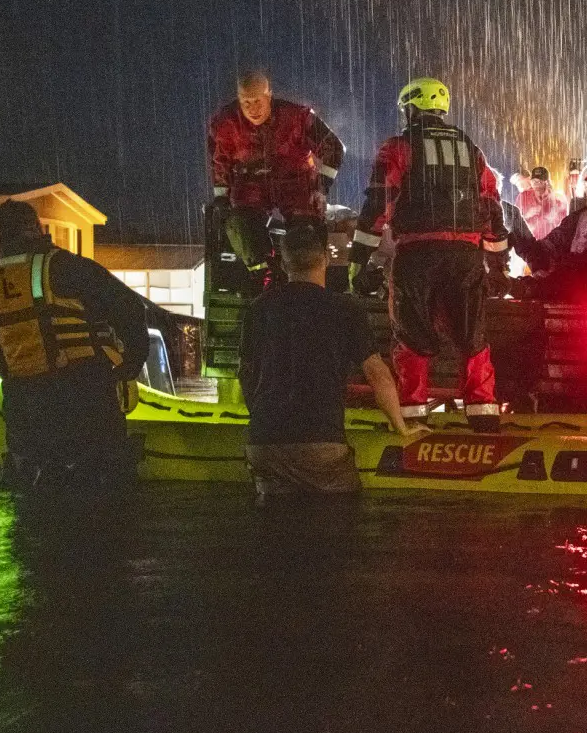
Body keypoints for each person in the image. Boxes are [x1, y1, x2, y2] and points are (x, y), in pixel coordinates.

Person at [348, 77, 510, 432]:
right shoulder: (471, 149)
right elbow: (491, 206)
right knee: (473, 336)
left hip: (417, 255)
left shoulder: (398, 147)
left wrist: (358, 260)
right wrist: (498, 264)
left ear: (411, 108)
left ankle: (411, 417)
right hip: (465, 255)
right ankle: (484, 417)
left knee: (412, 336)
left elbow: (377, 203)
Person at [0, 200, 149, 490]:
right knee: (104, 500)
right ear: (34, 227)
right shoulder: (66, 267)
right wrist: (131, 363)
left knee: (37, 504)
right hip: (84, 398)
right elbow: (129, 307)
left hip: (23, 409)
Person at [239, 226, 426, 497]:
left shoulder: (259, 309)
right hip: (321, 442)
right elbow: (378, 375)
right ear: (325, 258)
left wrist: (260, 418)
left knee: (275, 525)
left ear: (283, 263)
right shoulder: (345, 309)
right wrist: (401, 426)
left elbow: (246, 373)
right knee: (338, 518)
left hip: (263, 444)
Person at [207, 68, 346, 288]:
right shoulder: (225, 124)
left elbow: (334, 148)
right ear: (238, 100)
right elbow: (219, 162)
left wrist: (321, 187)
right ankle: (264, 277)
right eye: (246, 103)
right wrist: (222, 199)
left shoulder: (297, 117)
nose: (253, 109)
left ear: (269, 94)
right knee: (240, 226)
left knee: (306, 237)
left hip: (296, 181)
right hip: (250, 182)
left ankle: (306, 282)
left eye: (258, 101)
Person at [517, 168, 587, 301]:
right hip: (567, 270)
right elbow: (554, 240)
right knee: (514, 221)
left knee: (574, 267)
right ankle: (520, 285)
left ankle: (529, 287)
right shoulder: (576, 217)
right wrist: (540, 256)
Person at [515, 166, 568, 240]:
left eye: (540, 181)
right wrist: (527, 215)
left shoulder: (558, 199)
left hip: (550, 243)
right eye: (534, 181)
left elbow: (565, 226)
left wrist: (555, 218)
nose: (536, 184)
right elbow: (514, 222)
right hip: (529, 242)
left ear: (547, 182)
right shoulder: (523, 196)